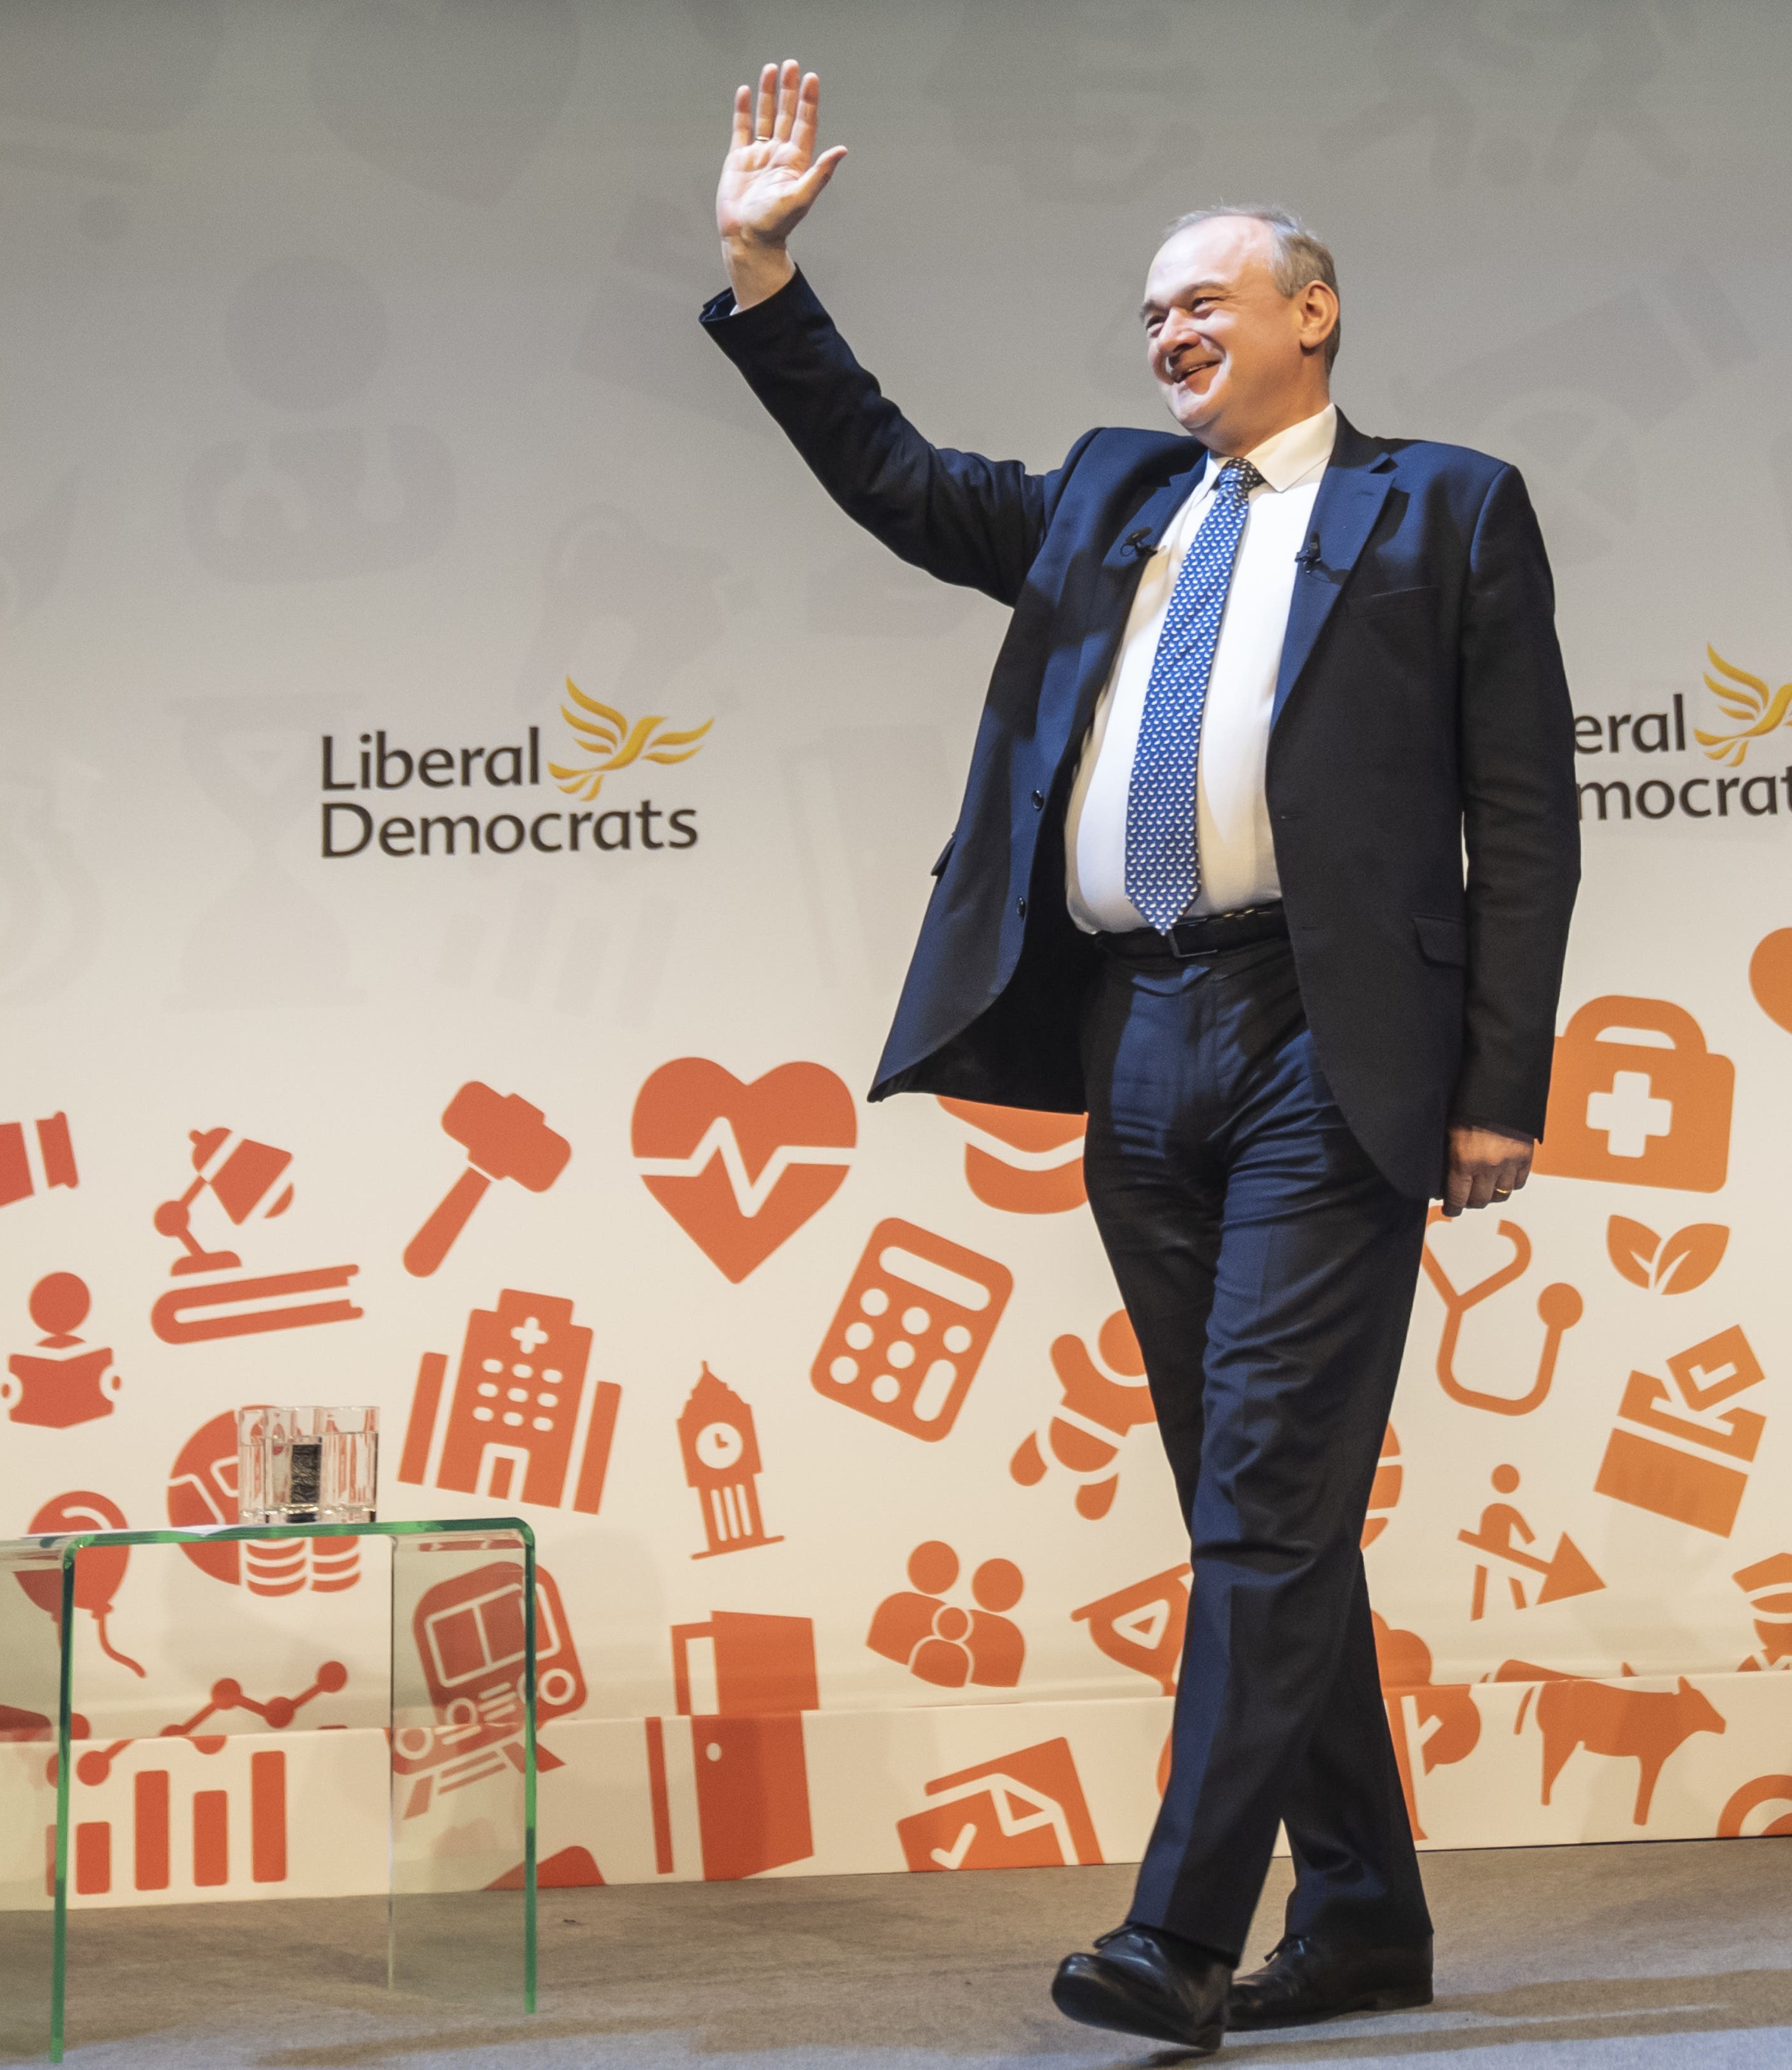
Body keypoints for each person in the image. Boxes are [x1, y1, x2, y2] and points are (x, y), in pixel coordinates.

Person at [703, 63, 1581, 2049]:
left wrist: (1500, 1080)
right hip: (1143, 1035)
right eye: (1155, 313)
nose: (1175, 332)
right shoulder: (1110, 494)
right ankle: (1361, 1918)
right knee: (1255, 1511)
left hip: (1328, 1046)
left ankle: (1180, 1935)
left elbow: (1524, 816)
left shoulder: (1443, 508)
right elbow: (902, 481)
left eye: (1209, 302)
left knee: (1268, 1501)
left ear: (1312, 316)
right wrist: (765, 276)